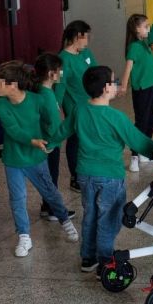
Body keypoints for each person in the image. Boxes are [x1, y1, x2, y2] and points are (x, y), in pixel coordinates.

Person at [48, 66, 153, 275]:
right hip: (110, 177)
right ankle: (106, 261)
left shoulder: (79, 110)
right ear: (106, 88)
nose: (117, 84)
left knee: (90, 215)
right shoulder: (116, 117)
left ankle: (88, 257)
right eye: (114, 81)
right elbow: (139, 141)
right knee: (108, 219)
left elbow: (62, 130)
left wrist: (49, 144)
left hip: (85, 175)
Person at [0, 61, 79, 257]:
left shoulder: (38, 100)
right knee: (17, 198)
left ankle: (65, 220)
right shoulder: (0, 106)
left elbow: (51, 121)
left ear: (13, 85)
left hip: (36, 158)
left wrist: (50, 141)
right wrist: (33, 141)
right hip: (14, 159)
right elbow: (13, 130)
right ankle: (24, 236)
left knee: (50, 192)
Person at [55, 20, 97, 193]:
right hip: (74, 105)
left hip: (90, 103)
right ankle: (76, 177)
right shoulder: (62, 59)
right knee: (75, 139)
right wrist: (55, 107)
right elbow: (60, 86)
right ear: (76, 37)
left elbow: (96, 72)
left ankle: (89, 171)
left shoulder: (86, 52)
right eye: (86, 37)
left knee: (89, 138)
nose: (88, 41)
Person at [33, 53, 76, 221]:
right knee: (52, 178)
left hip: (46, 142)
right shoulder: (48, 96)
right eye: (60, 70)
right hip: (50, 144)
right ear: (51, 74)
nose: (61, 73)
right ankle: (53, 210)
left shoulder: (41, 91)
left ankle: (46, 206)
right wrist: (61, 135)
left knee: (48, 177)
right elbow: (53, 124)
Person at [120, 14, 153, 173]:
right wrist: (124, 86)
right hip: (142, 90)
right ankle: (134, 156)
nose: (148, 29)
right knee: (142, 122)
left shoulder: (144, 43)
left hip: (152, 86)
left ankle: (145, 152)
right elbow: (128, 68)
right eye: (145, 26)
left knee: (150, 120)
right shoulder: (134, 47)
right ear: (136, 29)